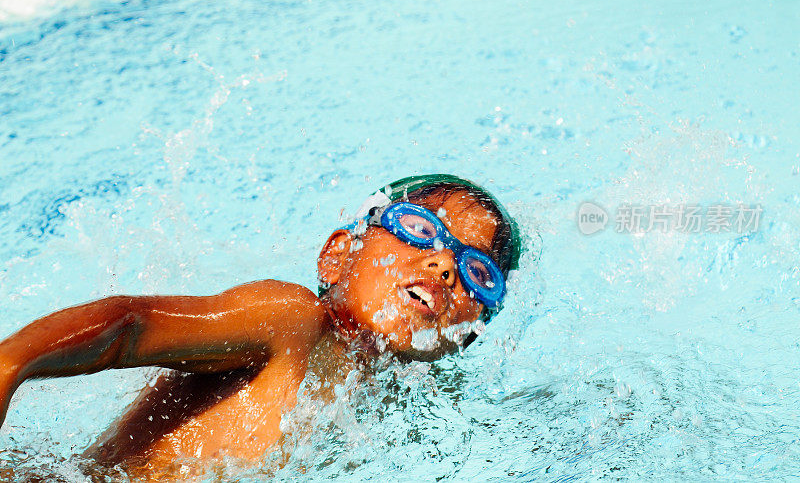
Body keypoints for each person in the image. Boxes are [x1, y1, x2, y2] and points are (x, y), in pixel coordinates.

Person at [0, 174, 521, 477]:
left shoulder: (393, 398)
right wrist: (10, 366)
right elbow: (128, 326)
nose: (443, 265)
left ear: (468, 335)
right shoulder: (291, 320)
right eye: (419, 229)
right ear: (337, 257)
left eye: (479, 273)